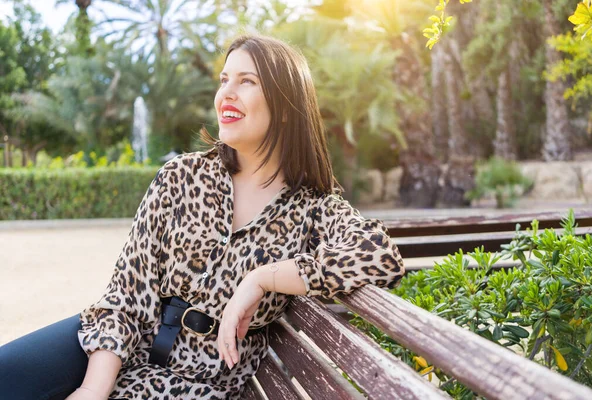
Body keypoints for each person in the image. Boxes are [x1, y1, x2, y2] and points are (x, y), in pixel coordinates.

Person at [0, 33, 405, 399]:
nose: (226, 93)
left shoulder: (314, 206)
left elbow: (379, 256)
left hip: (198, 385)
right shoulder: (181, 176)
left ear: (286, 107)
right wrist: (93, 388)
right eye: (224, 79)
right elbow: (126, 295)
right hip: (117, 349)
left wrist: (262, 278)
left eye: (247, 81)